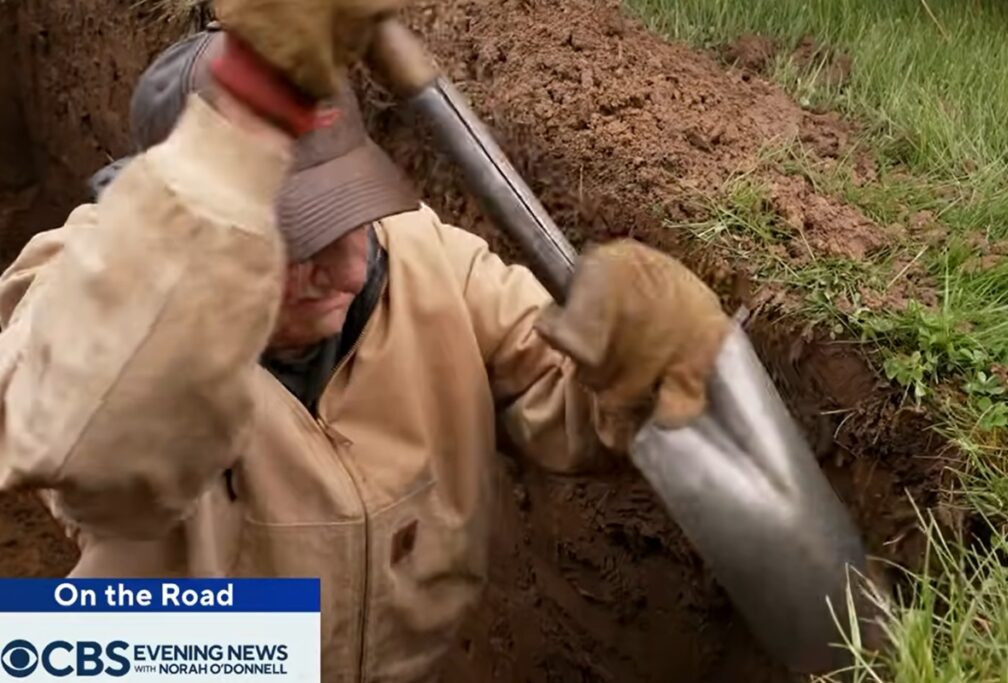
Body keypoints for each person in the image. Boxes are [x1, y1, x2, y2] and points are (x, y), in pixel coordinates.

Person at [0, 2, 729, 680]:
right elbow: (75, 416)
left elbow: (564, 393)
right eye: (297, 240)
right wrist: (237, 133)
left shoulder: (430, 262)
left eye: (347, 213)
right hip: (188, 657)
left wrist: (636, 361)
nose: (345, 265)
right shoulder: (90, 281)